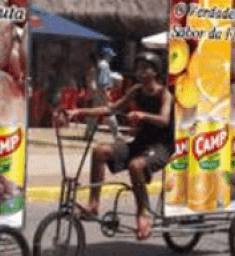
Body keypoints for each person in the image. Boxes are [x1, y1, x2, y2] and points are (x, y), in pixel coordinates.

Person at [64, 51, 173, 240]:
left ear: (155, 72)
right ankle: (94, 204)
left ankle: (143, 213)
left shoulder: (164, 94)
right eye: (138, 68)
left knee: (135, 165)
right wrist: (79, 111)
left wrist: (143, 115)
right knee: (100, 151)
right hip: (140, 143)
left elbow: (164, 120)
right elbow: (110, 109)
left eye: (145, 68)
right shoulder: (136, 90)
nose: (140, 72)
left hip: (161, 147)